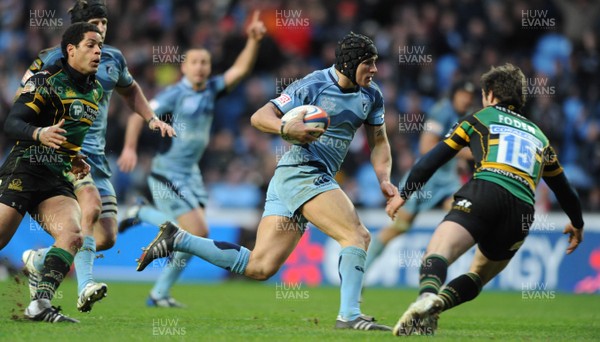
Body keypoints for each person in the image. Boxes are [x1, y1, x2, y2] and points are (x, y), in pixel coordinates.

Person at [136, 32, 397, 331]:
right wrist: (288, 127)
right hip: (303, 171)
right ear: (350, 64)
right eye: (369, 63)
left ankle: (179, 239)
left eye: (375, 63)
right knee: (357, 236)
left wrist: (384, 178)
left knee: (259, 266)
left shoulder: (371, 95)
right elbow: (260, 117)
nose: (374, 70)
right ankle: (350, 316)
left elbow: (379, 141)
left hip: (292, 180)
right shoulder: (312, 85)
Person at [385, 63, 585, 336]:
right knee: (478, 275)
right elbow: (565, 189)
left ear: (490, 94)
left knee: (438, 251)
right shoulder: (540, 137)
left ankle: (426, 297)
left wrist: (404, 194)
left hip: (485, 191)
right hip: (522, 209)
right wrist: (577, 223)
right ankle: (438, 305)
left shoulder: (479, 118)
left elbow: (432, 158)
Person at [19, 0, 176, 314]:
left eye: (104, 25)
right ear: (76, 32)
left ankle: (39, 259)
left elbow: (130, 91)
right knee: (88, 210)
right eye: (95, 25)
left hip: (98, 158)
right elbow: (25, 91)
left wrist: (151, 119)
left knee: (105, 236)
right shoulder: (53, 57)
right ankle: (85, 285)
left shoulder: (113, 58)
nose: (102, 31)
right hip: (66, 153)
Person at [115, 10, 266, 307]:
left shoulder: (211, 90)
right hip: (167, 172)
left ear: (209, 68)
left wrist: (253, 41)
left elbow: (239, 71)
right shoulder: (174, 94)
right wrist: (130, 148)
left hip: (190, 174)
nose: (200, 67)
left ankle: (159, 293)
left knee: (196, 234)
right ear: (184, 67)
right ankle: (139, 211)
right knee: (193, 232)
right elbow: (139, 114)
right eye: (195, 62)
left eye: (205, 63)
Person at [0, 22, 103, 323]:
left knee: (73, 234)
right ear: (71, 50)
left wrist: (74, 156)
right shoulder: (46, 80)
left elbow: (66, 136)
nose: (98, 50)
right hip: (26, 167)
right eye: (90, 45)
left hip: (56, 177)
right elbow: (12, 123)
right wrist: (40, 133)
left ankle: (40, 305)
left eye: (100, 46)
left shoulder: (95, 91)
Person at [365, 80, 475, 272]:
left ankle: (435, 264)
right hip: (427, 178)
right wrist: (465, 154)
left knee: (461, 214)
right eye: (463, 95)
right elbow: (427, 148)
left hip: (448, 180)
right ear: (454, 95)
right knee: (399, 227)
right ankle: (362, 270)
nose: (466, 100)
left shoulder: (463, 116)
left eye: (469, 97)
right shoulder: (442, 111)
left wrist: (460, 163)